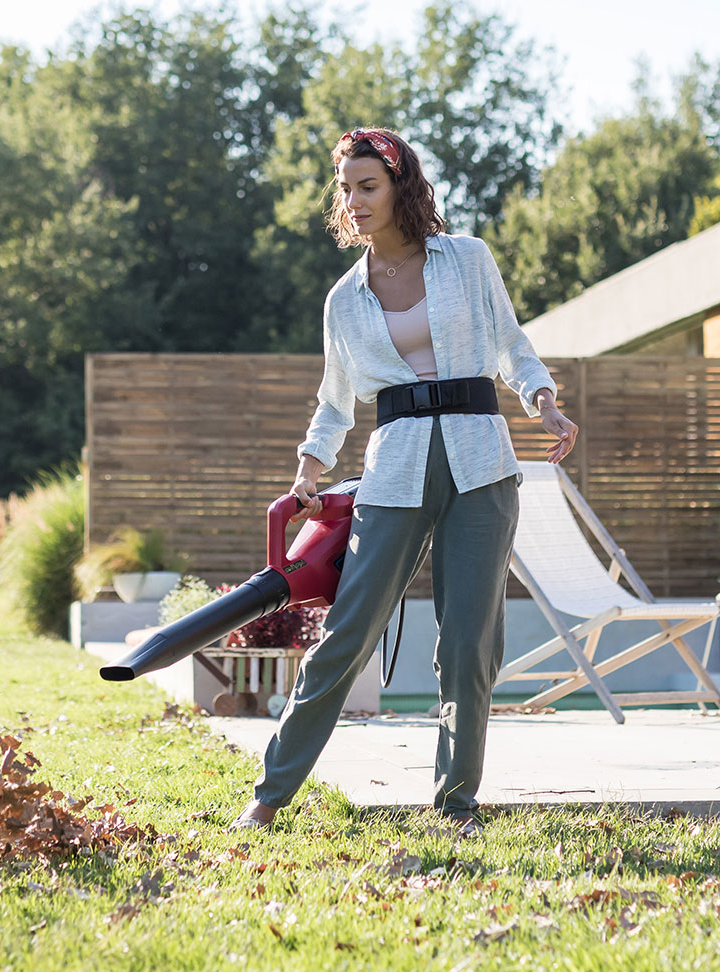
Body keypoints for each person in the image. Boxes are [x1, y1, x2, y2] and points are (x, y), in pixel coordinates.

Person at [229, 128, 577, 836]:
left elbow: (510, 342)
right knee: (347, 632)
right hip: (393, 472)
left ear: (400, 188)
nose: (354, 202)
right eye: (346, 189)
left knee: (467, 640)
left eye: (368, 186)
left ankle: (457, 804)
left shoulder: (467, 260)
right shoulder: (344, 300)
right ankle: (268, 797)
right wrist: (307, 471)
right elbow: (335, 403)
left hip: (483, 463)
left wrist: (542, 399)